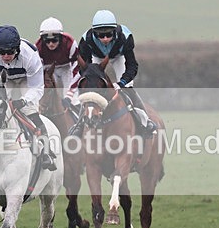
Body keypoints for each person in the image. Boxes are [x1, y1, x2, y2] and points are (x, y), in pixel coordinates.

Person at [0, 24, 56, 170]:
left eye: (10, 52)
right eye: (1, 52)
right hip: (3, 80)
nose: (5, 56)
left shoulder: (30, 56)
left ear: (17, 49)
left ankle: (46, 151)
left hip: (26, 80)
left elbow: (37, 88)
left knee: (30, 111)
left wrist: (23, 101)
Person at [77, 9, 157, 137]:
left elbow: (132, 66)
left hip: (119, 57)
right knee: (90, 91)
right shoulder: (86, 40)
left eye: (109, 34)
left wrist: (122, 83)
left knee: (128, 88)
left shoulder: (125, 37)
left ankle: (145, 121)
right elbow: (84, 69)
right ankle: (79, 125)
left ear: (114, 31)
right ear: (94, 33)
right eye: (100, 35)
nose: (105, 39)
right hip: (96, 58)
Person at [34, 17, 80, 109]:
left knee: (73, 99)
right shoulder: (37, 47)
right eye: (47, 41)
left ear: (61, 38)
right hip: (48, 69)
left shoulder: (70, 43)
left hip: (66, 68)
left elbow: (76, 67)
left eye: (54, 40)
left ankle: (77, 112)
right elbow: (38, 72)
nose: (51, 44)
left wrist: (70, 94)